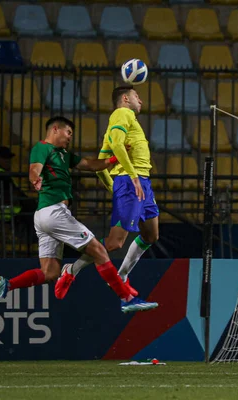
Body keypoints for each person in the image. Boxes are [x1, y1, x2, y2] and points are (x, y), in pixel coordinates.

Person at [0, 116, 158, 314]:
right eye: (68, 133)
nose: (70, 137)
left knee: (50, 273)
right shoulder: (42, 148)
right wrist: (35, 179)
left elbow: (90, 165)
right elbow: (34, 169)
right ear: (55, 129)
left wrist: (114, 159)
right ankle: (126, 298)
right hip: (54, 212)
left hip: (43, 217)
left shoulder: (64, 155)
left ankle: (7, 285)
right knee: (100, 251)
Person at [55, 85, 159, 299]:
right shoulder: (122, 113)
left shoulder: (121, 123)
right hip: (133, 183)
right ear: (125, 98)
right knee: (115, 243)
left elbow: (100, 167)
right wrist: (129, 180)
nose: (141, 101)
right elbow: (119, 146)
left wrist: (113, 188)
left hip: (141, 184)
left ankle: (122, 276)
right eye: (136, 96)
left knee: (150, 235)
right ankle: (70, 271)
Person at [0, 146, 37, 241]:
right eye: (5, 158)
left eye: (9, 158)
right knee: (36, 215)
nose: (8, 161)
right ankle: (36, 243)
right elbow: (16, 192)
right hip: (8, 211)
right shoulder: (0, 174)